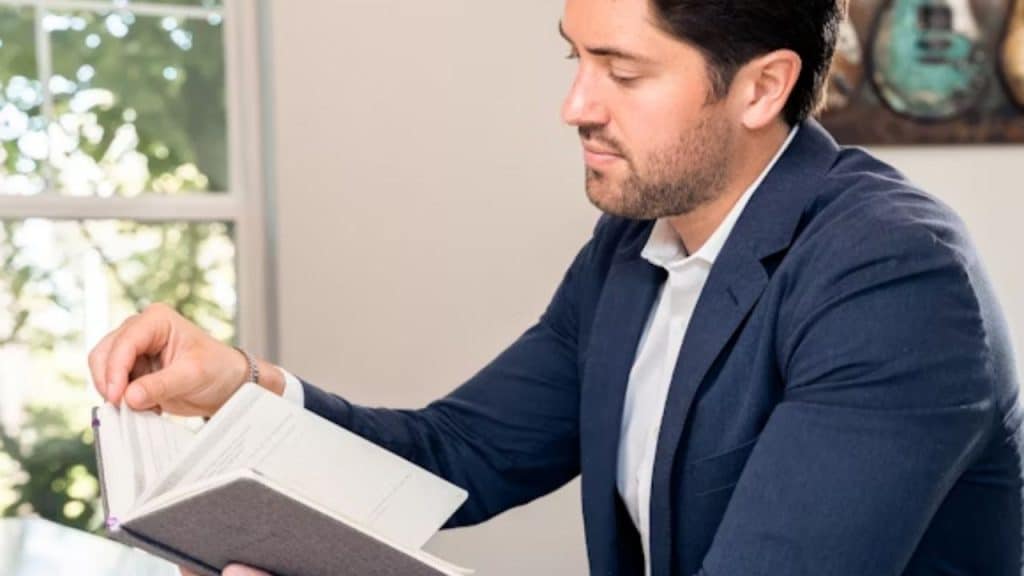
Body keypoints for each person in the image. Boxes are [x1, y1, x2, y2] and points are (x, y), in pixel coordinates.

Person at [89, 0, 1023, 574]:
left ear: (760, 87)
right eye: (574, 57)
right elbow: (454, 456)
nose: (575, 104)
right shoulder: (632, 246)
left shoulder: (894, 278)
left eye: (621, 70)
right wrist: (241, 385)